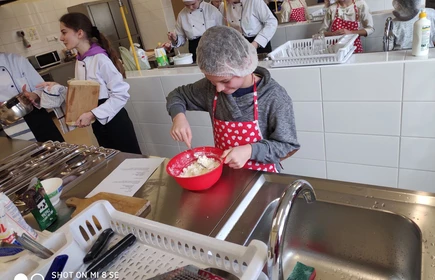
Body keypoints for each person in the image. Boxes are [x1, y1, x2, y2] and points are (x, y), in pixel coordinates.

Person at [166, 26, 299, 172]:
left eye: (225, 81)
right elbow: (177, 95)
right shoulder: (210, 89)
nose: (218, 89)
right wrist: (178, 117)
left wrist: (250, 151)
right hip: (227, 176)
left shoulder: (274, 97)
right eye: (211, 81)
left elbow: (288, 147)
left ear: (244, 65)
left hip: (263, 178)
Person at [26, 13, 141, 154]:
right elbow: (84, 92)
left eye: (64, 32)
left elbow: (121, 95)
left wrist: (92, 114)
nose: (61, 38)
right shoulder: (80, 60)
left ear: (79, 33)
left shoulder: (100, 59)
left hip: (115, 122)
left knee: (130, 163)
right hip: (99, 124)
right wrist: (57, 88)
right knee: (114, 163)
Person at [0, 52, 64, 142]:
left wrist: (33, 95)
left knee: (56, 149)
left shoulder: (16, 60)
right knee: (28, 153)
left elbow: (41, 87)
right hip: (10, 123)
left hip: (36, 115)